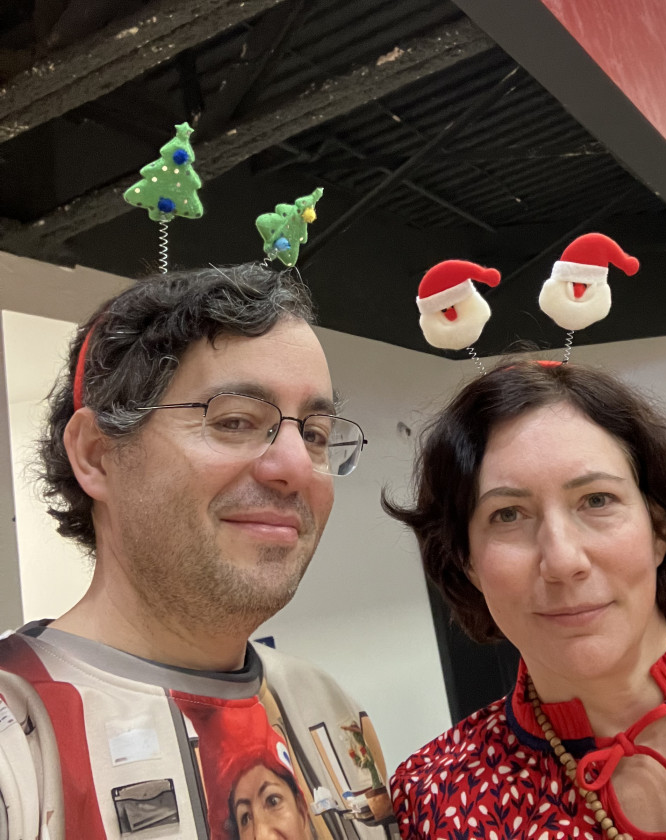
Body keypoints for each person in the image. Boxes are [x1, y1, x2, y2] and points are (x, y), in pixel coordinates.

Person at [0, 264, 399, 838]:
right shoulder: (17, 730)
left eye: (313, 433)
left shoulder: (327, 707)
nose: (295, 466)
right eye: (235, 421)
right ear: (96, 455)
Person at [385, 359, 666, 840]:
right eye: (508, 514)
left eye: (596, 500)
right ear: (467, 562)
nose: (563, 560)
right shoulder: (437, 801)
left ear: (658, 527)